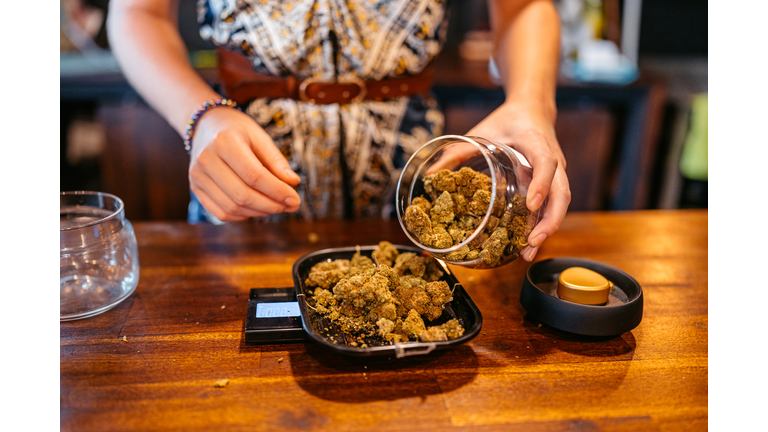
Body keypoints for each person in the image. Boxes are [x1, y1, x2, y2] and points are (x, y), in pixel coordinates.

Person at [107, 0, 571, 262]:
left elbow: (522, 8)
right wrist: (201, 115)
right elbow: (138, 13)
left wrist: (531, 101)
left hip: (411, 189)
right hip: (243, 181)